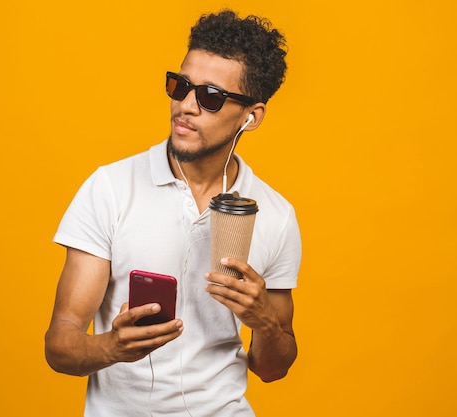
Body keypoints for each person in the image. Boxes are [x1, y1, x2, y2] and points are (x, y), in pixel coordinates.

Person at [45, 9, 301, 417]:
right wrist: (109, 347)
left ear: (251, 117)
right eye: (179, 85)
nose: (185, 105)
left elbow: (272, 369)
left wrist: (264, 320)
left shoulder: (275, 214)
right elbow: (60, 345)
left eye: (210, 96)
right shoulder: (110, 189)